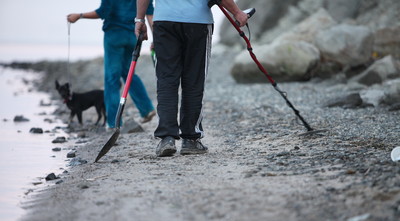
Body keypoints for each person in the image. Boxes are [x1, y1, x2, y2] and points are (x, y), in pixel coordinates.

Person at [135, 0, 248, 157]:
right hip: (197, 21)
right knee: (194, 81)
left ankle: (166, 138)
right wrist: (237, 12)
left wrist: (140, 20)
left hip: (164, 22)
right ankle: (190, 139)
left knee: (166, 80)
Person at [67, 0, 156, 129]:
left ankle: (114, 123)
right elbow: (149, 13)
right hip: (132, 35)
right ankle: (147, 109)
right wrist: (157, 38)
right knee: (128, 73)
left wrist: (79, 15)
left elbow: (103, 12)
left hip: (114, 35)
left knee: (111, 78)